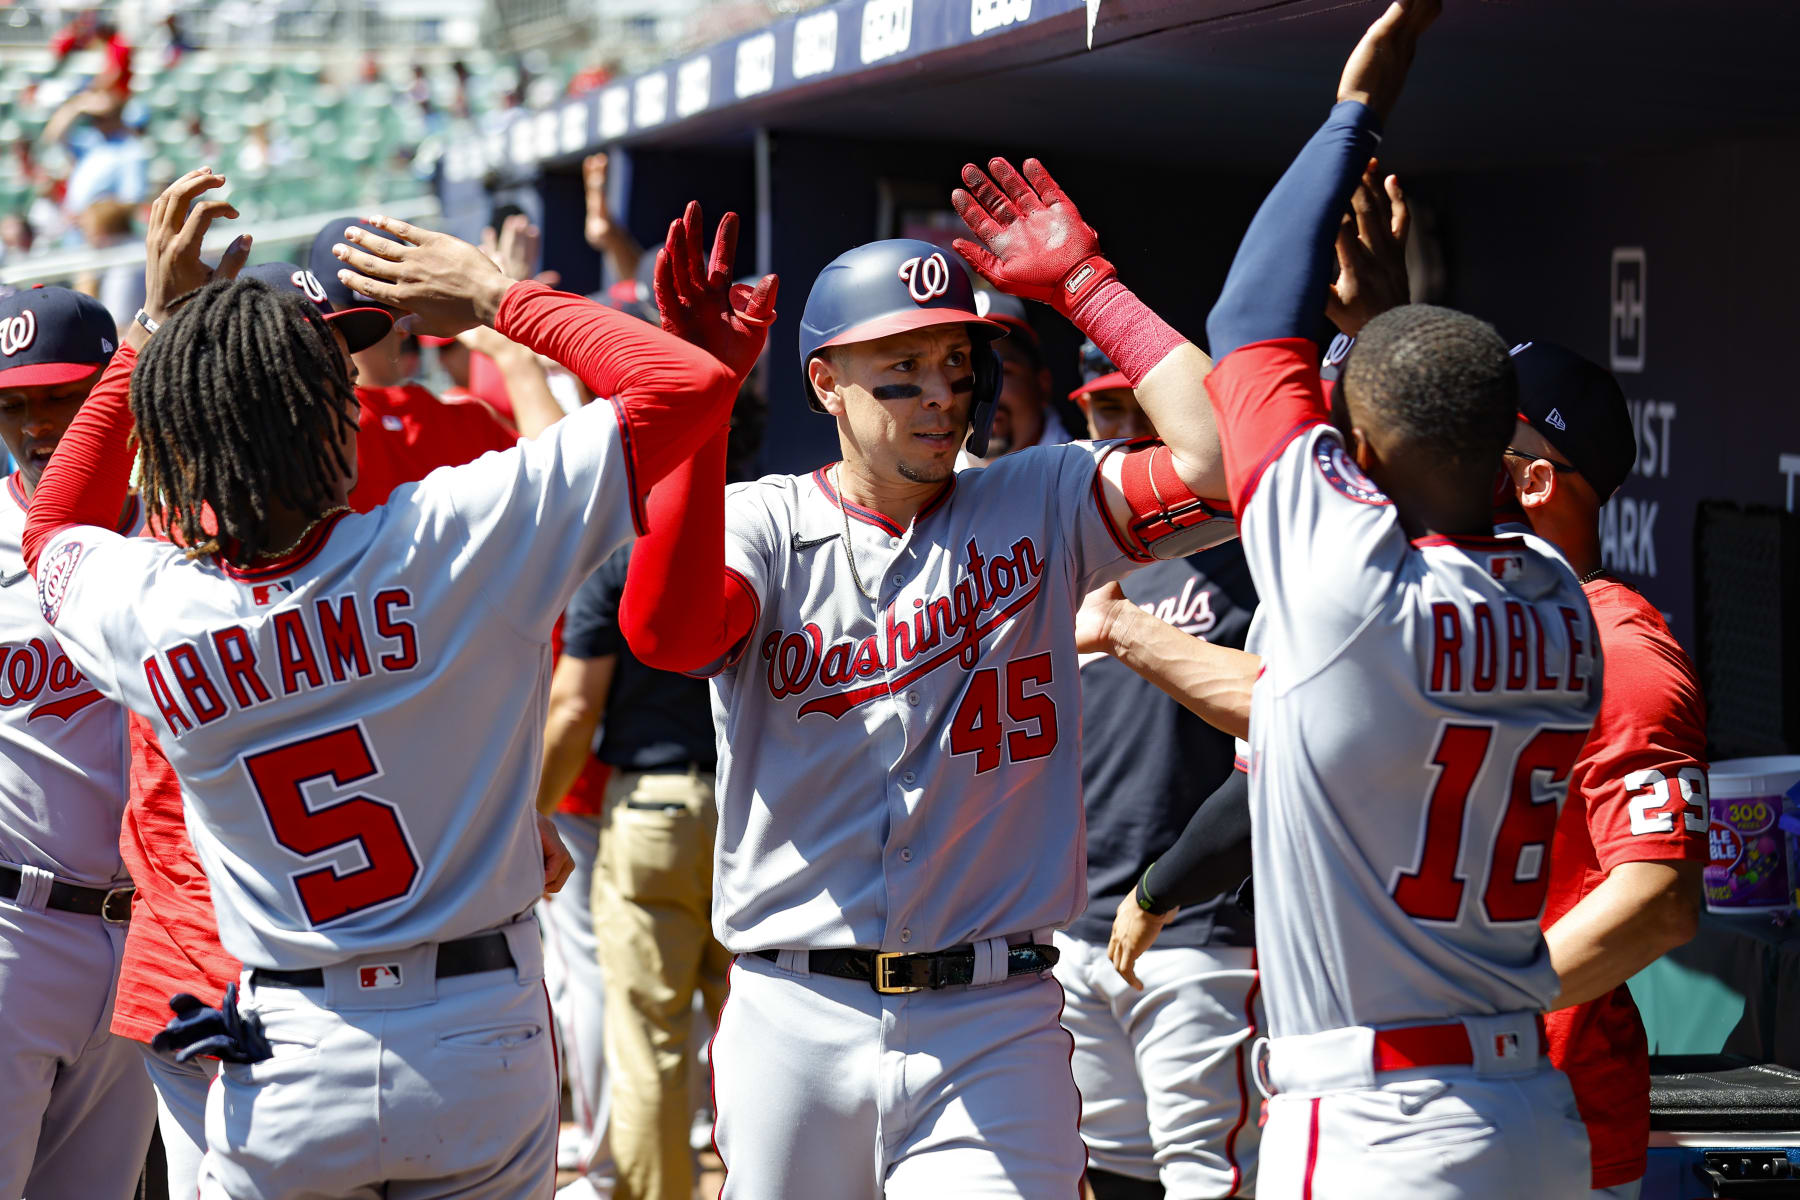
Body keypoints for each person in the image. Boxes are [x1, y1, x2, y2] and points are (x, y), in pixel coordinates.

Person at [24, 167, 740, 1199]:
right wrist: (500, 299)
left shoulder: (152, 607)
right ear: (331, 421)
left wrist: (149, 334)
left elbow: (53, 525)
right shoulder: (445, 536)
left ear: (181, 436)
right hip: (473, 1025)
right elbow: (685, 384)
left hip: (282, 1041)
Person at [617, 151, 1234, 1193]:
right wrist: (695, 409)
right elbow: (670, 635)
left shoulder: (1043, 498)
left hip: (993, 1019)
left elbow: (1229, 461)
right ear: (824, 384)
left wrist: (1093, 289)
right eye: (898, 370)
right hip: (793, 1011)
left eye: (957, 363)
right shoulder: (768, 523)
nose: (939, 396)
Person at [1197, 1, 1602, 1194]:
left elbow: (1243, 325)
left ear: (1359, 453)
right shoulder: (1563, 599)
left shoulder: (1350, 585)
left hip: (1381, 1121)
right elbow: (1435, 435)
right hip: (1530, 1108)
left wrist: (1354, 108)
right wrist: (1383, 333)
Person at [1503, 341, 1706, 1199]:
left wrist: (1473, 1013)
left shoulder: (1619, 650)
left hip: (1554, 1127)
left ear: (1535, 481)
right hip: (1452, 1110)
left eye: (1470, 437)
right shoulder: (1474, 632)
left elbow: (1660, 902)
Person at [1056, 374, 1262, 1199]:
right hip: (1078, 927)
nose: (1130, 428)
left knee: (1207, 1180)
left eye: (1146, 410)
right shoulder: (1067, 547)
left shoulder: (1248, 552)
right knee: (1105, 1174)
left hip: (1201, 927)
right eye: (1108, 411)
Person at [0, 284, 156, 1200]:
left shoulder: (179, 535)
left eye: (62, 394)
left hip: (145, 934)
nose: (36, 424)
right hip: (13, 926)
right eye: (14, 404)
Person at [956, 289, 1073, 466]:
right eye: (963, 375)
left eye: (999, 371)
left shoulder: (1087, 478)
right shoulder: (924, 484)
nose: (979, 392)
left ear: (1042, 385)